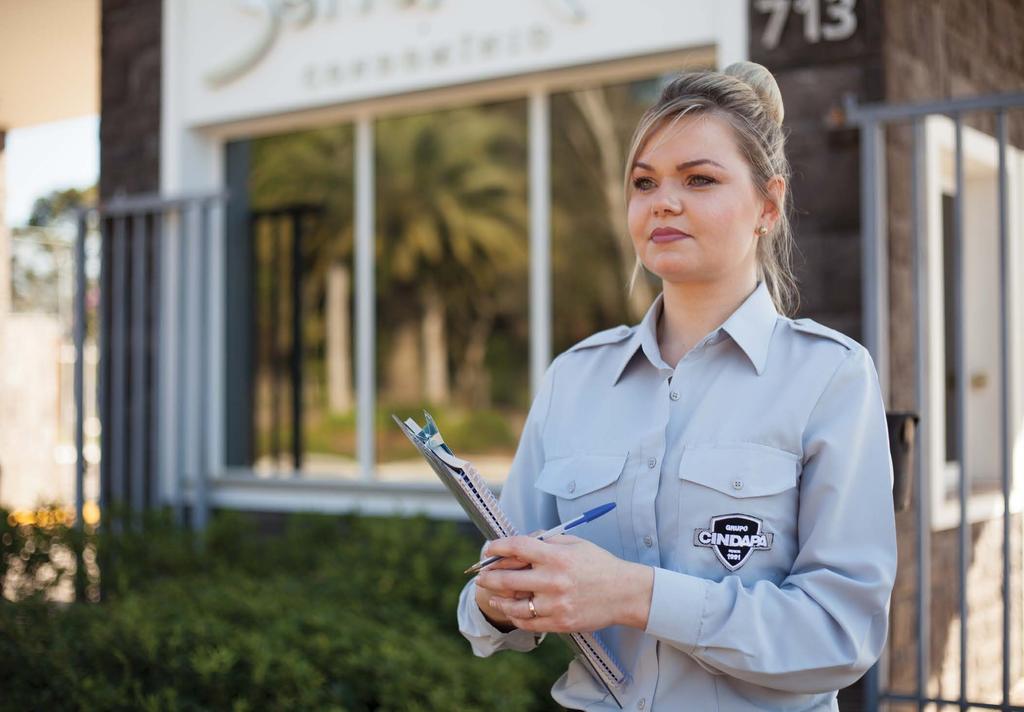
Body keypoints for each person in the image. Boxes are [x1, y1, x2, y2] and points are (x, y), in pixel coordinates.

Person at [455, 61, 898, 712]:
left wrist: (636, 594)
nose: (663, 201)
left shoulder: (829, 376)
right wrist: (493, 604)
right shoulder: (575, 378)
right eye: (644, 182)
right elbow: (496, 590)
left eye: (700, 179)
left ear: (768, 205)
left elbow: (840, 633)